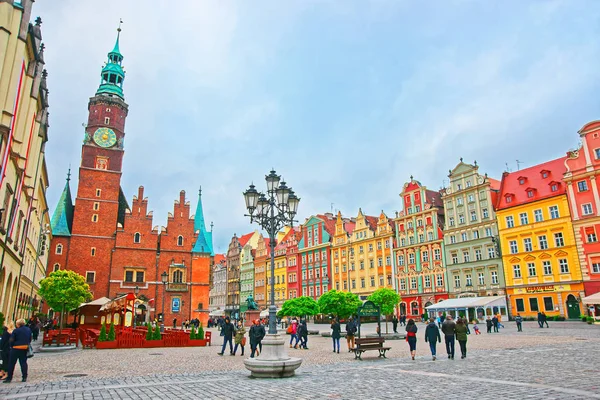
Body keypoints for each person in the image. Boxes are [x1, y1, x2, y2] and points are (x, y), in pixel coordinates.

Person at [4, 319, 32, 383]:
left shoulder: (16, 330)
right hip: (24, 348)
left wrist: (11, 346)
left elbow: (11, 340)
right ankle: (24, 377)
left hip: (16, 348)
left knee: (11, 363)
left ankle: (9, 378)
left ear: (18, 324)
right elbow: (30, 338)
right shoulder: (28, 329)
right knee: (23, 363)